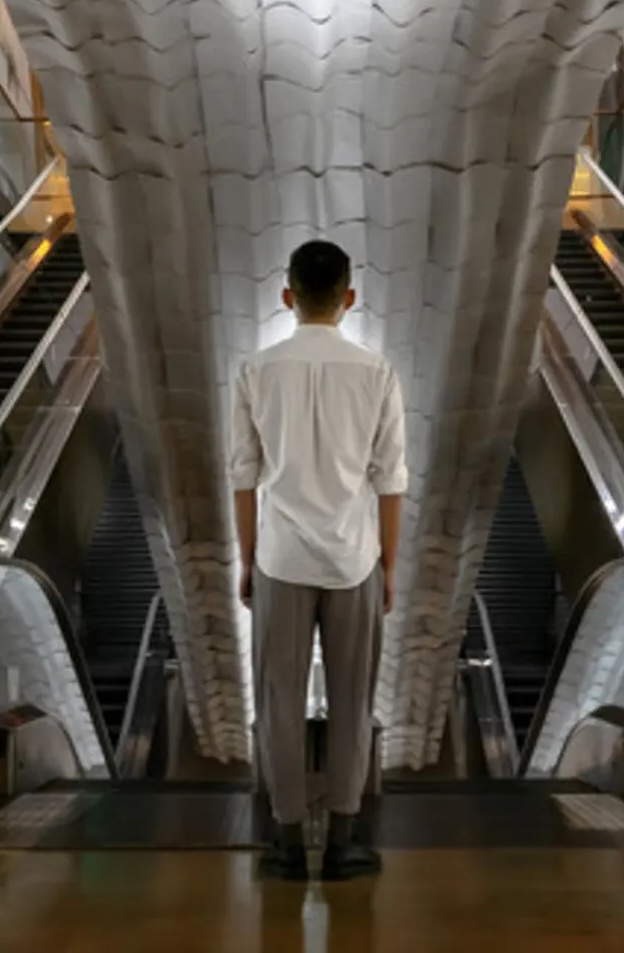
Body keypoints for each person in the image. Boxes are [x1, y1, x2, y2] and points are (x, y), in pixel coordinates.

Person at [229, 239, 407, 882]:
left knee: (278, 698)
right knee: (352, 699)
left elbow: (243, 477)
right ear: (350, 297)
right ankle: (341, 842)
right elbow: (390, 480)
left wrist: (246, 561)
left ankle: (282, 841)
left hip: (279, 556)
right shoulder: (377, 372)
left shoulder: (256, 371)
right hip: (354, 559)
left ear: (288, 296)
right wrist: (388, 567)